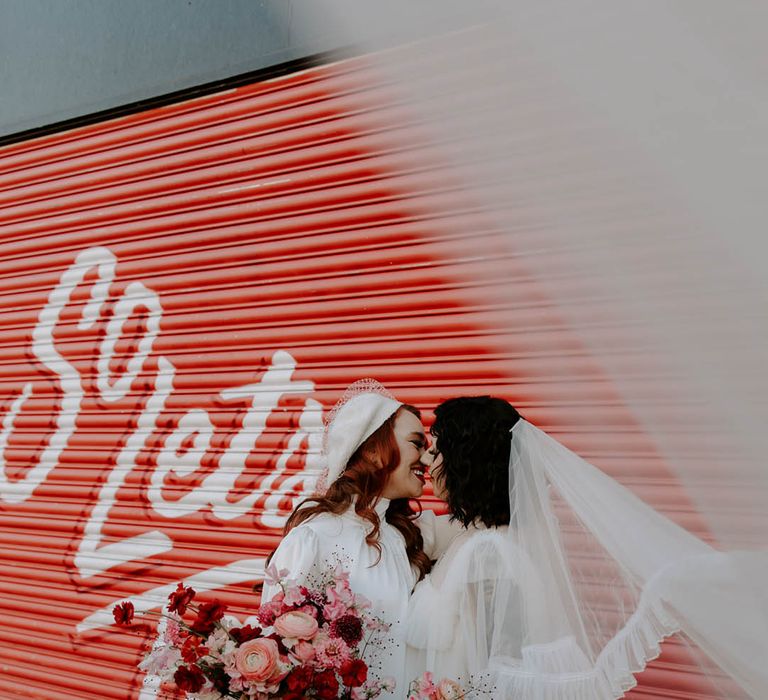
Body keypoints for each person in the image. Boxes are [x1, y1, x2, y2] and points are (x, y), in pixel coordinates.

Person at [406, 396, 767, 699]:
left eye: (437, 453)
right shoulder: (479, 539)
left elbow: (498, 671)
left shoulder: (488, 554)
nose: (427, 462)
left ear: (466, 464)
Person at [262, 379, 437, 698]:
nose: (427, 460)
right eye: (417, 444)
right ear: (373, 450)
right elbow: (278, 660)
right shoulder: (314, 537)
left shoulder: (406, 538)